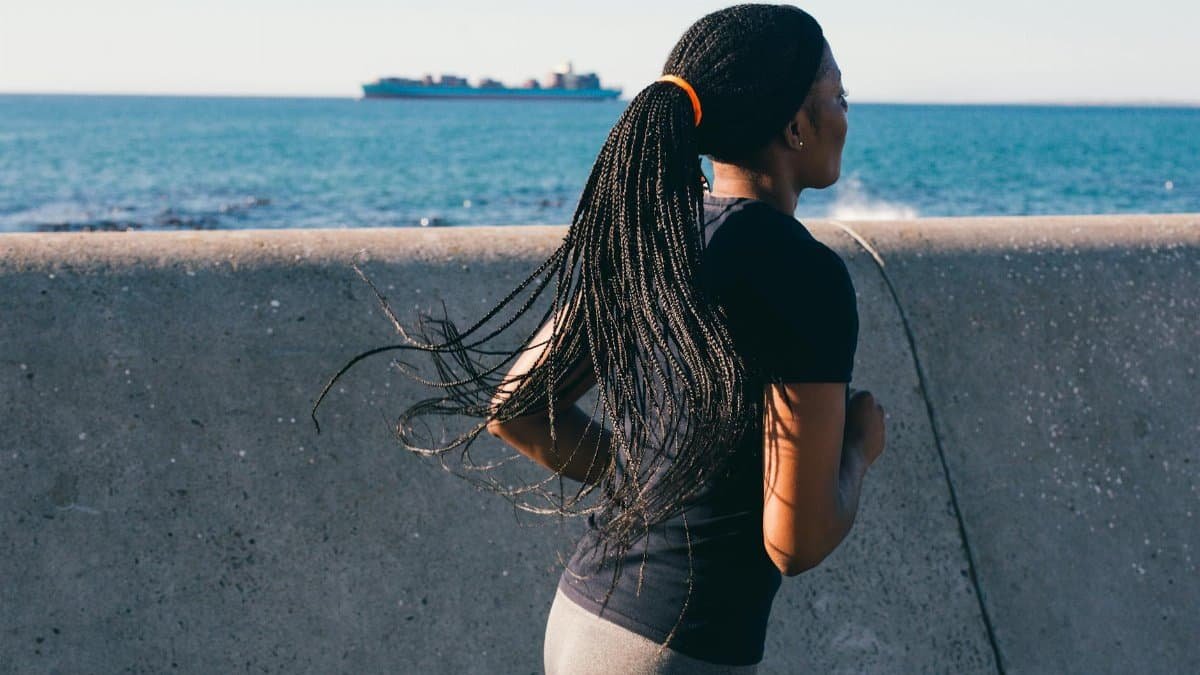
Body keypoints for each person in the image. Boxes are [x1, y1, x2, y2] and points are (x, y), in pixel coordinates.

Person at [314, 4, 886, 673]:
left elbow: (517, 409)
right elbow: (796, 537)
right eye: (838, 95)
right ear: (795, 125)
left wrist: (652, 479)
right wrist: (857, 450)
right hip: (678, 647)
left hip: (583, 618)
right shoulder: (806, 275)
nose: (847, 113)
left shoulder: (653, 237)